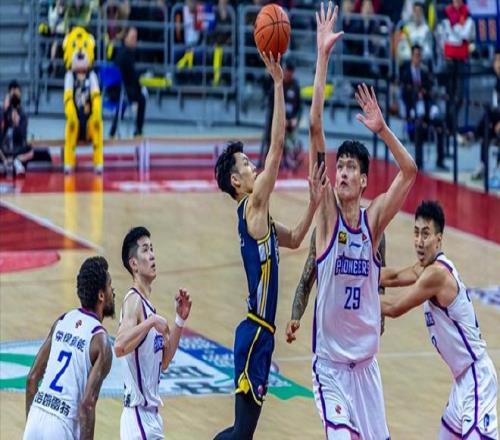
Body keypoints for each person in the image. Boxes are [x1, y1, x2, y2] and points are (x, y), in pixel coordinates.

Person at [289, 3, 417, 438]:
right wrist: (322, 57)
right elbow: (314, 127)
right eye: (338, 165)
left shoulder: (373, 221)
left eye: (350, 167)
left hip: (366, 368)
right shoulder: (327, 216)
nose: (341, 172)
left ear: (364, 180)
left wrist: (382, 130)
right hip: (329, 368)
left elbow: (409, 172)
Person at [213, 51, 327, 439]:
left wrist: (313, 205)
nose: (253, 166)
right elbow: (277, 147)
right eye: (246, 164)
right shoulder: (252, 207)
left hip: (260, 333)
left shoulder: (260, 219)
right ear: (236, 182)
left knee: (241, 434)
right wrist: (278, 83)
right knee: (241, 435)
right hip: (255, 333)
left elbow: (294, 239)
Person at [380, 200, 498, 439]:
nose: (419, 241)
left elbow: (393, 307)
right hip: (462, 382)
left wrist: (351, 300)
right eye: (416, 233)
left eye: (426, 234)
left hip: (477, 380)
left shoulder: (437, 275)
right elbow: (393, 276)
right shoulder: (427, 268)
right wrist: (354, 272)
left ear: (439, 239)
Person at [24, 256, 115, 439]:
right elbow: (87, 405)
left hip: (36, 416)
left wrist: (32, 425)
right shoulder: (100, 341)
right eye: (109, 285)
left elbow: (32, 379)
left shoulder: (62, 321)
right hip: (62, 425)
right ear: (101, 295)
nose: (113, 290)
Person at [114, 226, 192, 439]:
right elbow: (119, 346)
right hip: (137, 418)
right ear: (134, 264)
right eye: (146, 250)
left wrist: (179, 320)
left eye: (152, 248)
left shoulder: (148, 307)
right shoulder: (133, 301)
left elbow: (164, 362)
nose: (152, 255)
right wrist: (150, 322)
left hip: (152, 419)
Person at [286, 229, 387, 344]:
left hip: (360, 329)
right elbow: (305, 283)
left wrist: (380, 318)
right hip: (329, 334)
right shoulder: (324, 231)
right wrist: (295, 317)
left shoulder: (374, 231)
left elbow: (381, 280)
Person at [400, 44, 447, 171]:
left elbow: (429, 91)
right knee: (419, 126)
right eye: (416, 55)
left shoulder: (424, 73)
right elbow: (404, 95)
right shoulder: (406, 74)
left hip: (425, 107)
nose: (418, 58)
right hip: (412, 108)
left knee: (440, 123)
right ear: (412, 56)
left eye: (420, 56)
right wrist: (415, 94)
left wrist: (424, 93)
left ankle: (440, 160)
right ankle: (419, 163)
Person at [259, 57, 302, 170]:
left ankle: (291, 158)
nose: (289, 74)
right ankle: (268, 160)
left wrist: (295, 120)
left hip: (290, 123)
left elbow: (299, 107)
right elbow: (270, 105)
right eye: (287, 70)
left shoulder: (295, 86)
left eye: (291, 71)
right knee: (271, 137)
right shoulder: (277, 84)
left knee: (295, 143)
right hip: (277, 121)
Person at [112, 27, 147, 137]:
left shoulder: (122, 51)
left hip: (117, 90)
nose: (134, 40)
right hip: (120, 90)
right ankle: (138, 131)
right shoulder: (125, 54)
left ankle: (113, 130)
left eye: (135, 38)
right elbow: (131, 76)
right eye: (132, 38)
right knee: (142, 98)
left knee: (135, 94)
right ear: (125, 38)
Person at [1, 80, 33, 175]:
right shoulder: (3, 111)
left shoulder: (22, 114)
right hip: (3, 148)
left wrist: (17, 124)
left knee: (30, 151)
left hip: (17, 148)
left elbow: (22, 137)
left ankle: (12, 163)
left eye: (16, 92)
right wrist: (4, 112)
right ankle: (9, 163)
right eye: (12, 92)